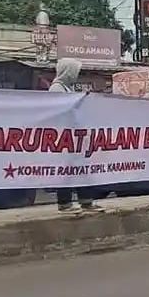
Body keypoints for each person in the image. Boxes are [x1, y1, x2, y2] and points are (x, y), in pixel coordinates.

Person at [48, 59, 96, 213]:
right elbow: (61, 111)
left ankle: (86, 201)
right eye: (75, 71)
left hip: (74, 136)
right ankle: (64, 203)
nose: (76, 75)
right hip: (64, 136)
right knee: (66, 171)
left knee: (81, 169)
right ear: (68, 71)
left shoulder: (67, 88)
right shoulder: (56, 89)